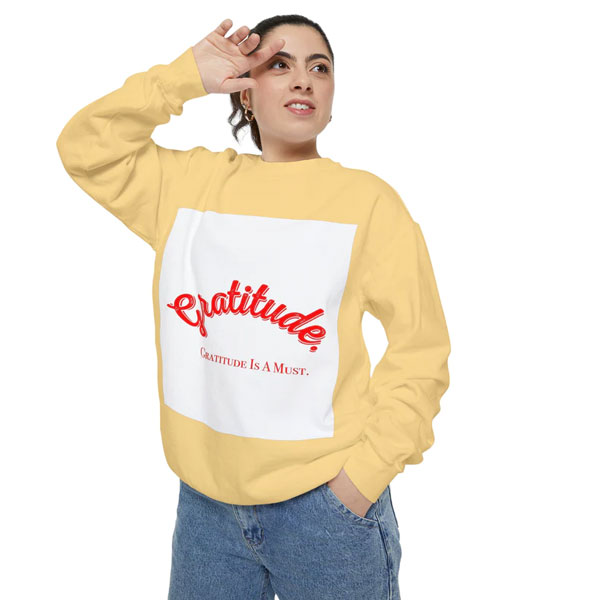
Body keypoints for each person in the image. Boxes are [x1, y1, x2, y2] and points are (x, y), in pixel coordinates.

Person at [56, 14, 451, 600]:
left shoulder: (368, 203)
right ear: (245, 90)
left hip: (325, 510)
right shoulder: (187, 187)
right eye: (279, 65)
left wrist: (360, 481)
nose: (303, 80)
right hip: (205, 511)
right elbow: (84, 148)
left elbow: (421, 350)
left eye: (320, 68)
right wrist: (183, 77)